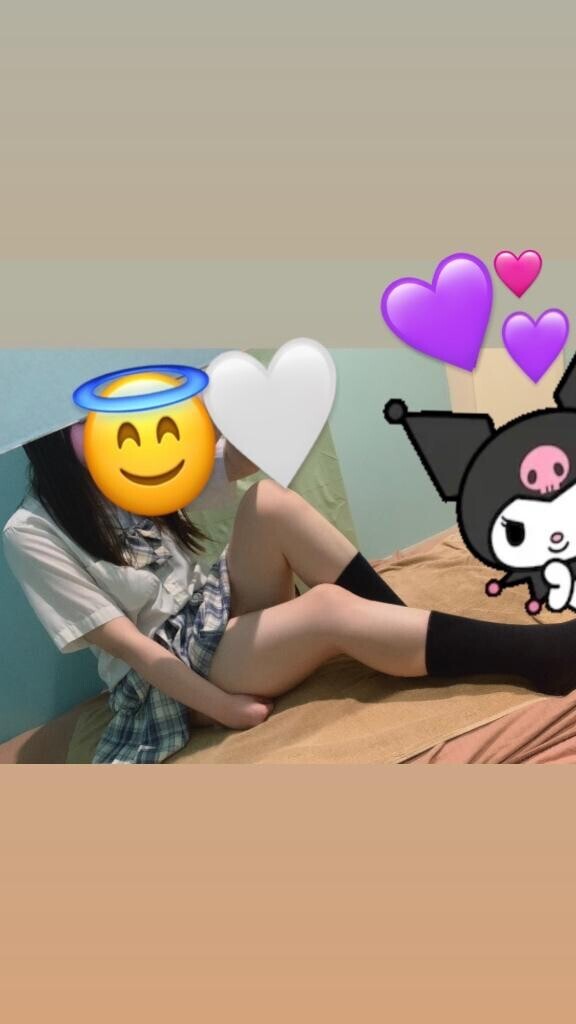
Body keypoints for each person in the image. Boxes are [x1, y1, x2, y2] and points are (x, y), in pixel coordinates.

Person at [4, 413, 576, 763]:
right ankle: (540, 657)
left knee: (267, 501)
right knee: (327, 608)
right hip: (170, 676)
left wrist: (230, 408)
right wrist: (223, 710)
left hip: (209, 614)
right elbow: (133, 649)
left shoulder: (127, 461)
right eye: (83, 419)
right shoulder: (31, 531)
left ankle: (401, 637)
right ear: (49, 437)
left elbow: (242, 463)